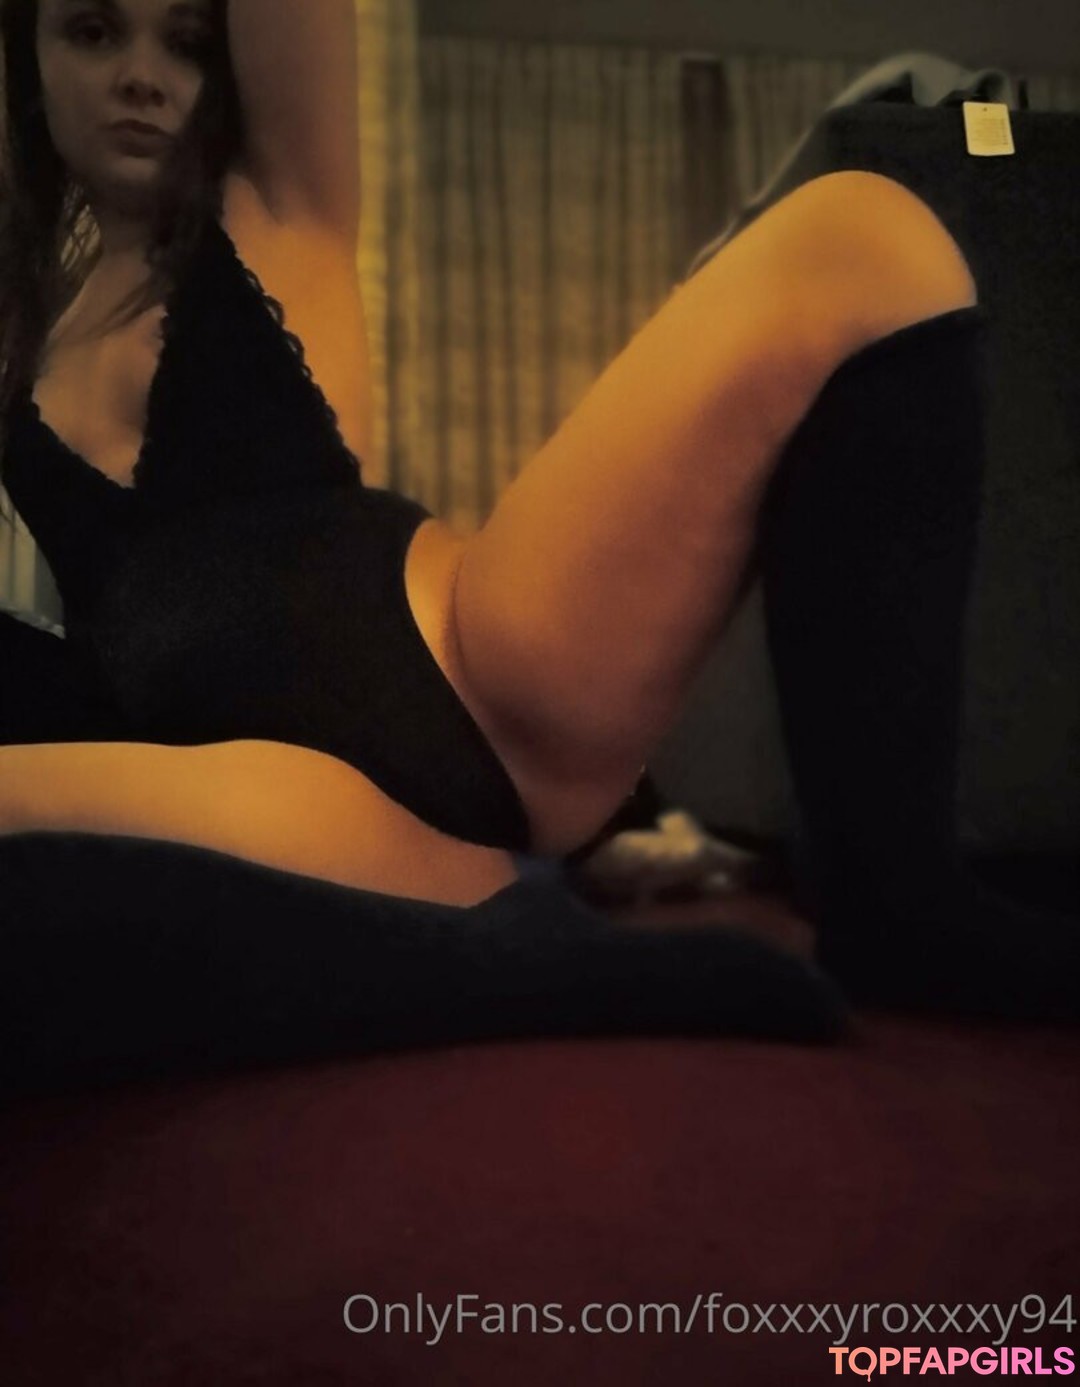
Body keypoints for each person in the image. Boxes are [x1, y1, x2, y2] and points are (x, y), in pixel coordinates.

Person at [0, 0, 1073, 1095]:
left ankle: (895, 900)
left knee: (868, 234)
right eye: (93, 31)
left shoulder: (274, 204)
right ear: (26, 53)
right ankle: (524, 957)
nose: (142, 74)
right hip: (286, 793)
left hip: (477, 667)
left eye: (185, 41)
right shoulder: (25, 325)